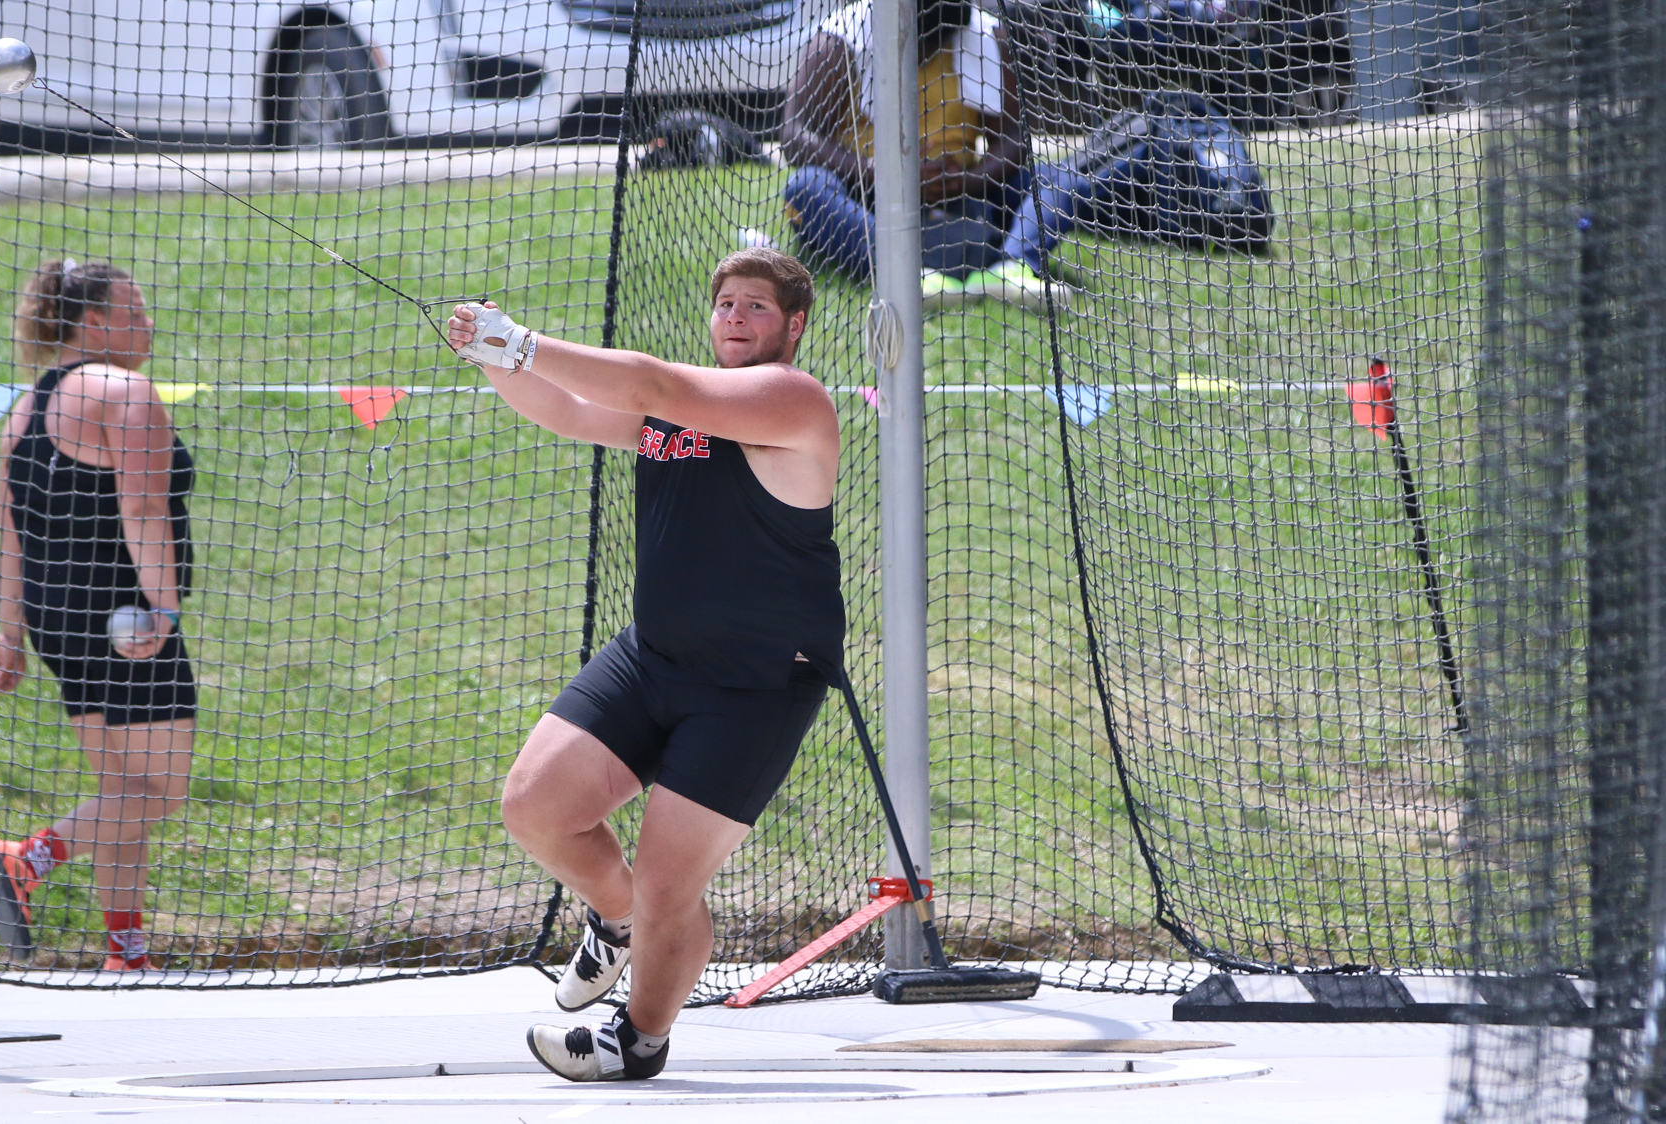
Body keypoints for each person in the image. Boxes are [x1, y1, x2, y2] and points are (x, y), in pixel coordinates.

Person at [446, 248, 843, 1082]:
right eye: (726, 304)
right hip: (654, 658)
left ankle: (639, 1042)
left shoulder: (795, 401)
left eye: (756, 308)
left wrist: (518, 339)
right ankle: (617, 921)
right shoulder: (679, 414)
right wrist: (493, 357)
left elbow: (653, 386)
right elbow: (567, 411)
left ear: (793, 326)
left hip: (753, 688)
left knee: (673, 889)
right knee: (537, 808)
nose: (734, 317)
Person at [0, 258, 199, 972]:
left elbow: (13, 530)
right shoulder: (125, 391)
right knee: (159, 793)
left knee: (122, 793)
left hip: (54, 623)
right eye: (135, 312)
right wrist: (162, 609)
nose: (150, 324)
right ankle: (29, 859)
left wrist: (10, 637)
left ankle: (124, 953)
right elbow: (141, 509)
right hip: (122, 619)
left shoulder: (28, 404)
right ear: (95, 322)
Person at [782, 0, 1272, 313]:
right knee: (804, 188)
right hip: (866, 199)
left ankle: (1013, 268)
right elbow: (795, 134)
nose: (937, 46)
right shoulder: (839, 40)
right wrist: (882, 174)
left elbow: (1015, 142)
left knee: (1060, 179)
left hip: (960, 196)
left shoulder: (983, 35)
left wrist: (968, 180)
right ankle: (911, 277)